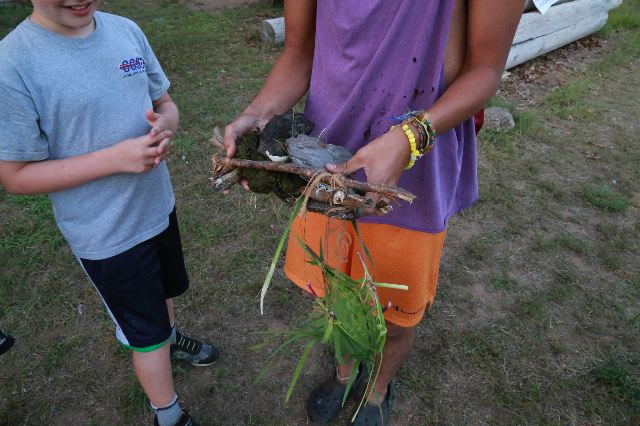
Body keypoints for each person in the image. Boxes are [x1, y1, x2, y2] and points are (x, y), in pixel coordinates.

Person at [224, 0, 524, 424]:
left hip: (413, 172)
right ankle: (346, 374)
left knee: (396, 315)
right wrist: (255, 115)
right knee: (332, 297)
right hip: (325, 167)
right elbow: (299, 52)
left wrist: (411, 136)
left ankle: (378, 389)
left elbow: (485, 69)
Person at [0, 2, 218, 425]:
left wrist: (166, 125)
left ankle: (169, 339)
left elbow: (165, 103)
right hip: (106, 234)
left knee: (164, 294)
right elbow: (15, 176)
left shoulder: (125, 30)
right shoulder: (13, 63)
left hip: (157, 207)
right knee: (145, 333)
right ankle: (168, 414)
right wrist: (115, 160)